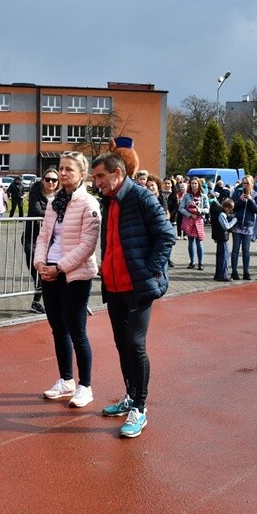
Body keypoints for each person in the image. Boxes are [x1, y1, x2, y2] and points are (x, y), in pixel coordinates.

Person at [91, 146, 175, 439]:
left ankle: (139, 408)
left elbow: (167, 235)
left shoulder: (141, 197)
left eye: (100, 176)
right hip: (113, 287)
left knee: (135, 345)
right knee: (122, 344)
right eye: (94, 177)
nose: (96, 182)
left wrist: (151, 270)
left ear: (118, 173)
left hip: (138, 287)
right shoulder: (109, 200)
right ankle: (130, 395)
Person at [35, 151, 101, 408]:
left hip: (74, 274)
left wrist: (59, 268)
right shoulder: (54, 202)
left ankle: (85, 385)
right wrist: (40, 262)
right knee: (57, 328)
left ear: (82, 175)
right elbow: (44, 236)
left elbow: (87, 245)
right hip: (49, 269)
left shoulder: (89, 204)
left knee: (77, 330)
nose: (62, 173)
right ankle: (66, 380)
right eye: (61, 168)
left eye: (69, 170)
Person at [24, 168, 58, 313]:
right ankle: (38, 300)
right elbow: (36, 210)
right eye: (48, 179)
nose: (50, 182)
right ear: (43, 180)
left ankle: (36, 302)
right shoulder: (35, 192)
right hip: (32, 237)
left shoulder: (60, 195)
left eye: (54, 180)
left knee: (46, 273)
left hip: (52, 240)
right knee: (36, 269)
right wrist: (55, 213)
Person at [230, 175, 257, 281]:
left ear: (251, 183)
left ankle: (246, 272)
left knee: (246, 250)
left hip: (248, 225)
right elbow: (232, 206)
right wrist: (240, 200)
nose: (245, 185)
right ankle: (234, 272)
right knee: (235, 249)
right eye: (243, 183)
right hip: (237, 224)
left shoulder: (255, 194)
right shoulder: (238, 192)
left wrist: (251, 200)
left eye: (247, 183)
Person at [180, 177, 209, 270]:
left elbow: (207, 209)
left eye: (195, 183)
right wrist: (189, 214)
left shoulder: (203, 195)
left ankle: (201, 263)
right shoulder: (187, 196)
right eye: (192, 183)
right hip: (189, 221)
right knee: (190, 242)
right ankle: (192, 262)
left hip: (199, 220)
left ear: (199, 184)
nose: (194, 185)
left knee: (199, 241)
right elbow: (181, 208)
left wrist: (199, 211)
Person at [210, 198, 236, 281]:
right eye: (230, 209)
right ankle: (223, 275)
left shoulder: (218, 211)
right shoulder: (221, 214)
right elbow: (226, 226)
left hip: (219, 236)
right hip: (222, 237)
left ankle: (218, 274)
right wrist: (234, 221)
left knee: (220, 256)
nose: (230, 211)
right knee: (224, 257)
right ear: (227, 207)